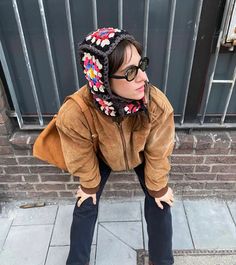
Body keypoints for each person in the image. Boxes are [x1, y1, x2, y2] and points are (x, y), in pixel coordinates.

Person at [56, 27, 175, 265]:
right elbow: (80, 156)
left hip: (140, 154)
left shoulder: (156, 105)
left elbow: (158, 152)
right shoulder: (75, 113)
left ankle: (162, 262)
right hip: (101, 156)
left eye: (142, 66)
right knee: (84, 203)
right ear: (101, 79)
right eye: (131, 72)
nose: (144, 78)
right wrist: (89, 186)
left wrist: (158, 188)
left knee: (160, 201)